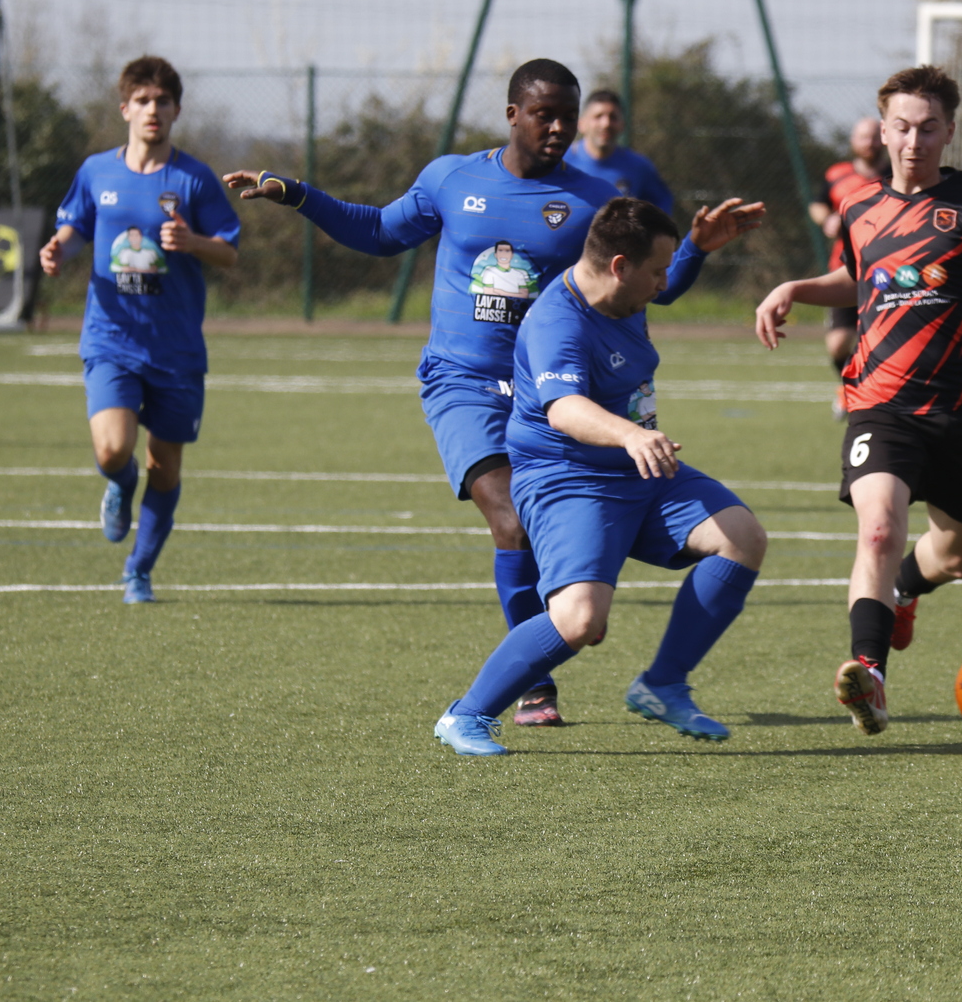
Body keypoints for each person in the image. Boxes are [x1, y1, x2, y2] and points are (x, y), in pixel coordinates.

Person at [225, 60, 762, 728]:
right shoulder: (452, 178)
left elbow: (647, 287)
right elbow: (380, 232)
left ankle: (587, 630)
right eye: (544, 114)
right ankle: (534, 685)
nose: (559, 127)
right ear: (512, 115)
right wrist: (297, 194)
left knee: (579, 542)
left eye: (567, 116)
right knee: (510, 520)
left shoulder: (595, 199)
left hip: (549, 387)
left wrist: (695, 251)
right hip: (465, 381)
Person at [754, 66, 962, 737]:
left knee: (959, 557)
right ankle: (870, 675)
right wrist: (794, 288)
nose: (913, 141)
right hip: (879, 401)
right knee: (878, 527)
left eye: (928, 128)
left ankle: (906, 587)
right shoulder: (860, 206)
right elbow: (860, 279)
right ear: (882, 130)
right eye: (901, 127)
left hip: (959, 405)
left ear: (949, 131)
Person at [433, 197, 768, 756]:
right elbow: (564, 409)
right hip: (569, 479)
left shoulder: (621, 292)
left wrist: (694, 249)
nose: (663, 283)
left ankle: (663, 685)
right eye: (656, 271)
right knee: (580, 620)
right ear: (619, 266)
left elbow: (662, 283)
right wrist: (631, 435)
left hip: (640, 469)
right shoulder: (558, 323)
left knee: (742, 537)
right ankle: (466, 715)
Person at [39, 55, 241, 604]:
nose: (153, 110)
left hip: (176, 348)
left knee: (165, 465)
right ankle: (119, 484)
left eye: (163, 101)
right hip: (111, 339)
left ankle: (138, 571)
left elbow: (228, 251)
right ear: (125, 108)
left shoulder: (194, 179)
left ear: (177, 110)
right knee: (113, 450)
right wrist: (59, 250)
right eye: (143, 101)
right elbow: (74, 228)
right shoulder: (96, 172)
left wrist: (194, 243)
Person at [809, 116, 888, 421]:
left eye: (874, 136)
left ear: (883, 138)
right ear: (853, 141)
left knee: (884, 341)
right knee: (838, 343)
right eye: (863, 137)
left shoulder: (897, 176)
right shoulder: (837, 174)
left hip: (887, 273)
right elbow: (818, 204)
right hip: (846, 271)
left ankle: (882, 398)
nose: (869, 143)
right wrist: (826, 219)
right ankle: (849, 387)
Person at [565, 89, 675, 214]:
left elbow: (662, 206)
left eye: (613, 117)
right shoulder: (561, 162)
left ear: (622, 124)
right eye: (598, 116)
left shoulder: (639, 167)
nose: (606, 124)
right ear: (581, 124)